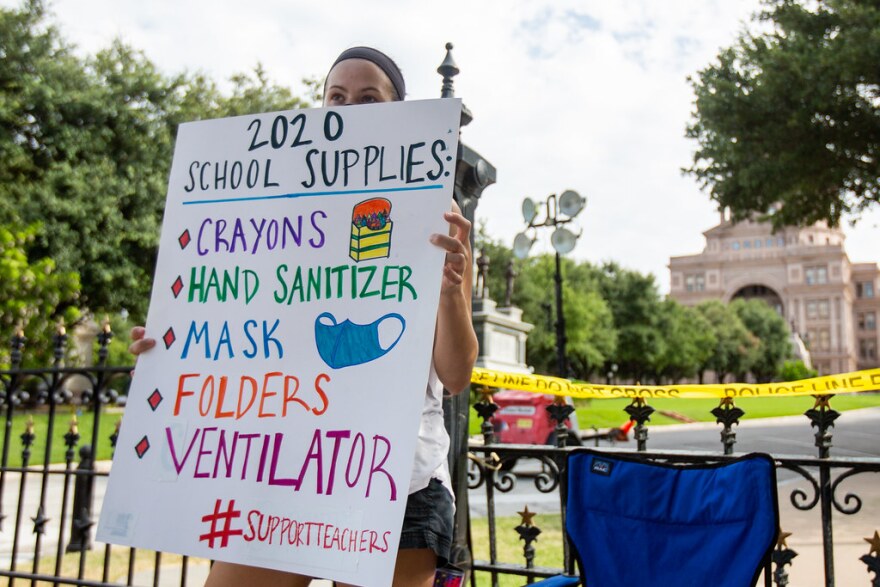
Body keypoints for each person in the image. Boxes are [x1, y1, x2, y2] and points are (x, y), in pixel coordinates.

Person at [129, 46, 478, 587]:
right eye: (337, 97)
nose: (349, 108)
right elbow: (241, 326)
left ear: (398, 114)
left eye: (369, 98)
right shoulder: (271, 206)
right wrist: (169, 353)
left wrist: (451, 293)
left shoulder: (434, 216)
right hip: (283, 478)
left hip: (395, 485)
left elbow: (455, 376)